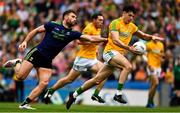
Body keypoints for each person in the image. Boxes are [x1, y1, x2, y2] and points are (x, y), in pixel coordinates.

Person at [3, 9, 107, 109]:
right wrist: (25, 41)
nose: (75, 19)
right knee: (20, 77)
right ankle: (17, 62)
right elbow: (36, 31)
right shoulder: (52, 25)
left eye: (76, 17)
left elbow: (90, 38)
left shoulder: (73, 33)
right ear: (65, 17)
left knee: (44, 83)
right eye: (73, 16)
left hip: (47, 60)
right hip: (37, 53)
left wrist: (105, 39)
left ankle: (25, 103)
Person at [66, 5, 164, 110]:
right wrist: (129, 48)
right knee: (128, 66)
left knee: (97, 80)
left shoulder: (132, 26)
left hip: (118, 55)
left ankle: (74, 94)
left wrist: (151, 37)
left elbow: (143, 36)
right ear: (124, 13)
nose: (131, 18)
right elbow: (116, 40)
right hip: (109, 52)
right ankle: (118, 94)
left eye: (133, 16)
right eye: (129, 15)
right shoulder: (115, 23)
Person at [44, 13, 107, 104]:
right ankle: (51, 90)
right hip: (83, 58)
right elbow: (79, 41)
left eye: (102, 20)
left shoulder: (99, 28)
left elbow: (95, 42)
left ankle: (95, 94)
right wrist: (92, 42)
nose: (102, 22)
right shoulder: (89, 28)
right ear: (94, 20)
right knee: (69, 79)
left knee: (105, 73)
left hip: (92, 58)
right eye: (100, 20)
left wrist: (95, 49)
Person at [145, 35, 164, 108]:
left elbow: (161, 54)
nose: (155, 37)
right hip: (151, 66)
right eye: (154, 36)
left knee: (153, 86)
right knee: (156, 83)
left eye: (157, 36)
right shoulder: (149, 44)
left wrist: (162, 58)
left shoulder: (161, 45)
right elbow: (144, 55)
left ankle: (149, 102)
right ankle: (150, 101)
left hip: (158, 67)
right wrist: (149, 65)